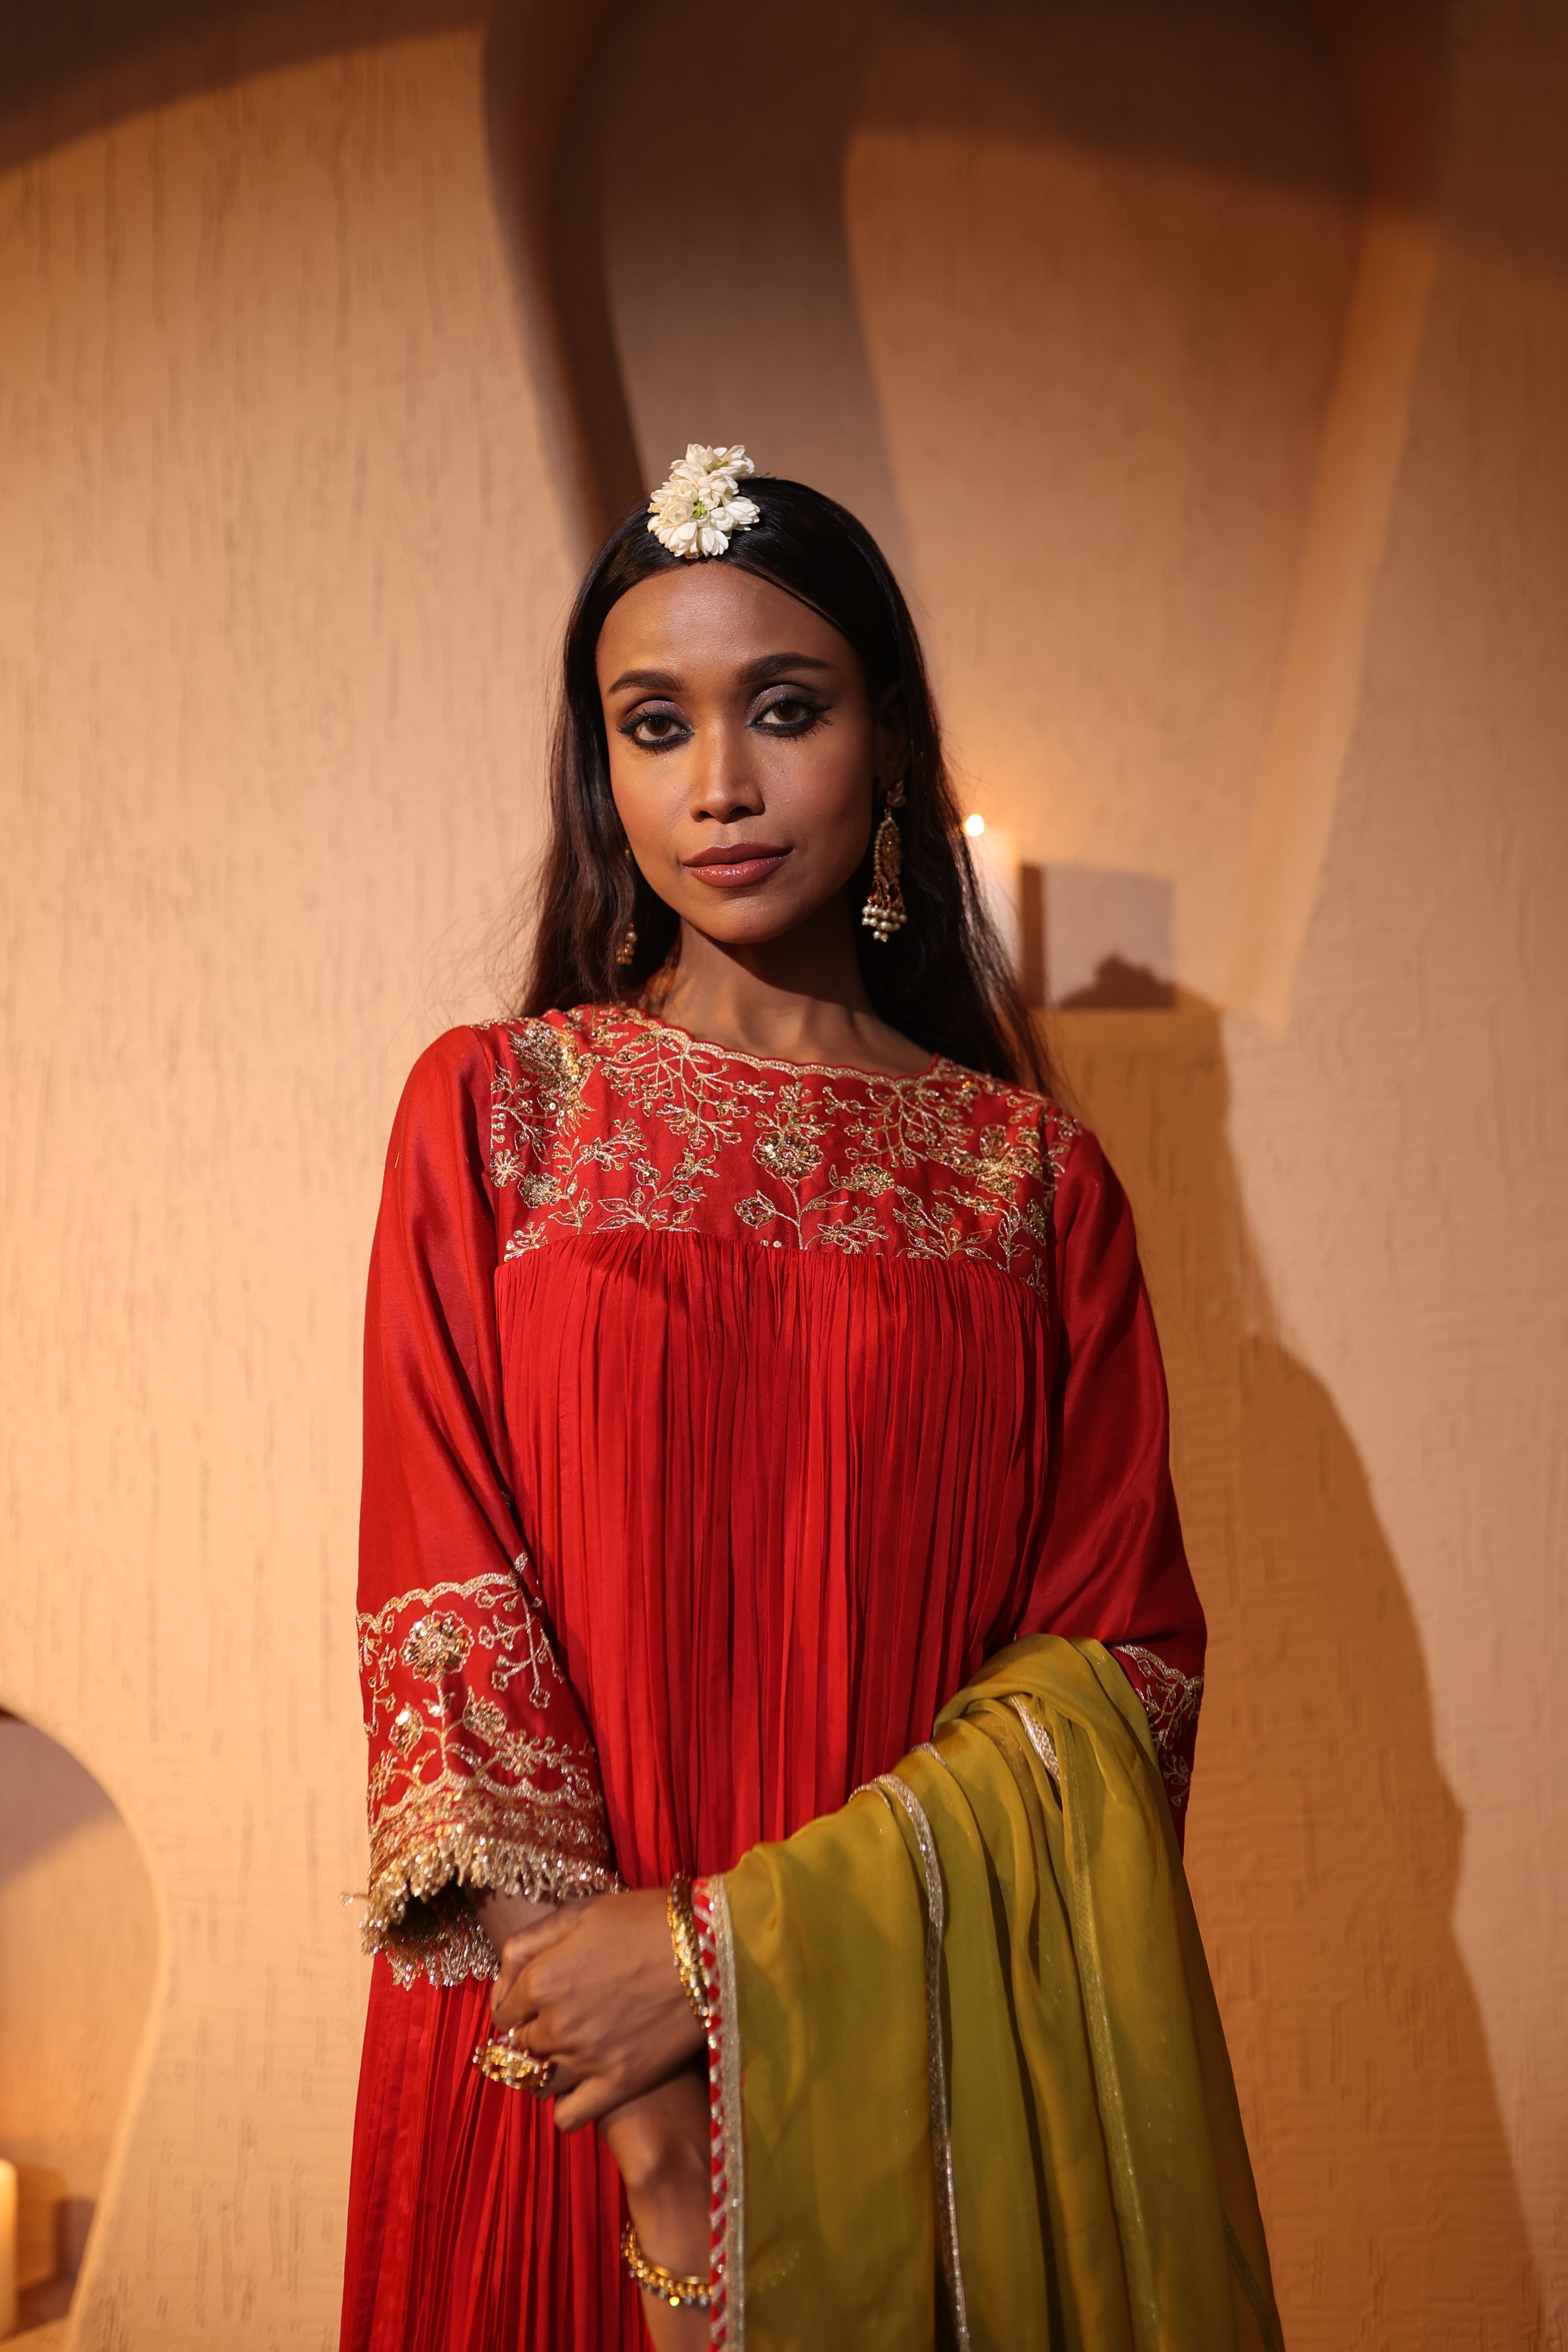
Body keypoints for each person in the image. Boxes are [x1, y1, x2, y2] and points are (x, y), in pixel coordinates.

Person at [340, 447, 1280, 2352]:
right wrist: (654, 2111)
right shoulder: (496, 1117)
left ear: (893, 743)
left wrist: (720, 1970)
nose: (724, 786)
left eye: (786, 708)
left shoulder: (1030, 1187)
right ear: (599, 770)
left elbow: (1121, 1684)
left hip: (907, 2089)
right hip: (556, 2073)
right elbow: (447, 1626)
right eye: (654, 724)